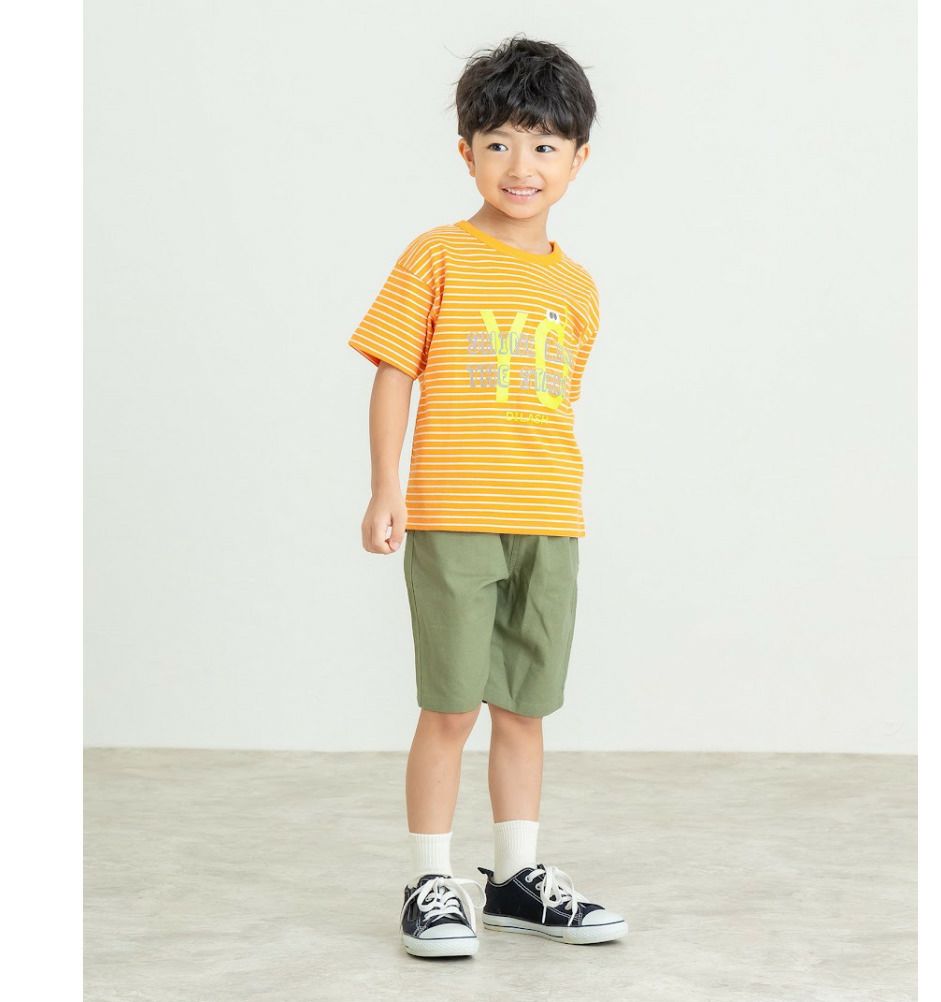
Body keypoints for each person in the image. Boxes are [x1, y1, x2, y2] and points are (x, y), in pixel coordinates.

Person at [347, 35, 627, 958]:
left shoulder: (578, 287)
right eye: (500, 142)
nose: (521, 165)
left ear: (579, 159)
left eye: (545, 145)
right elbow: (395, 371)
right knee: (450, 706)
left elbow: (555, 404)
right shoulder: (437, 256)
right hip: (453, 514)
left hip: (549, 518)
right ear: (466, 151)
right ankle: (430, 880)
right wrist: (385, 486)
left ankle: (516, 879)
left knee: (524, 708)